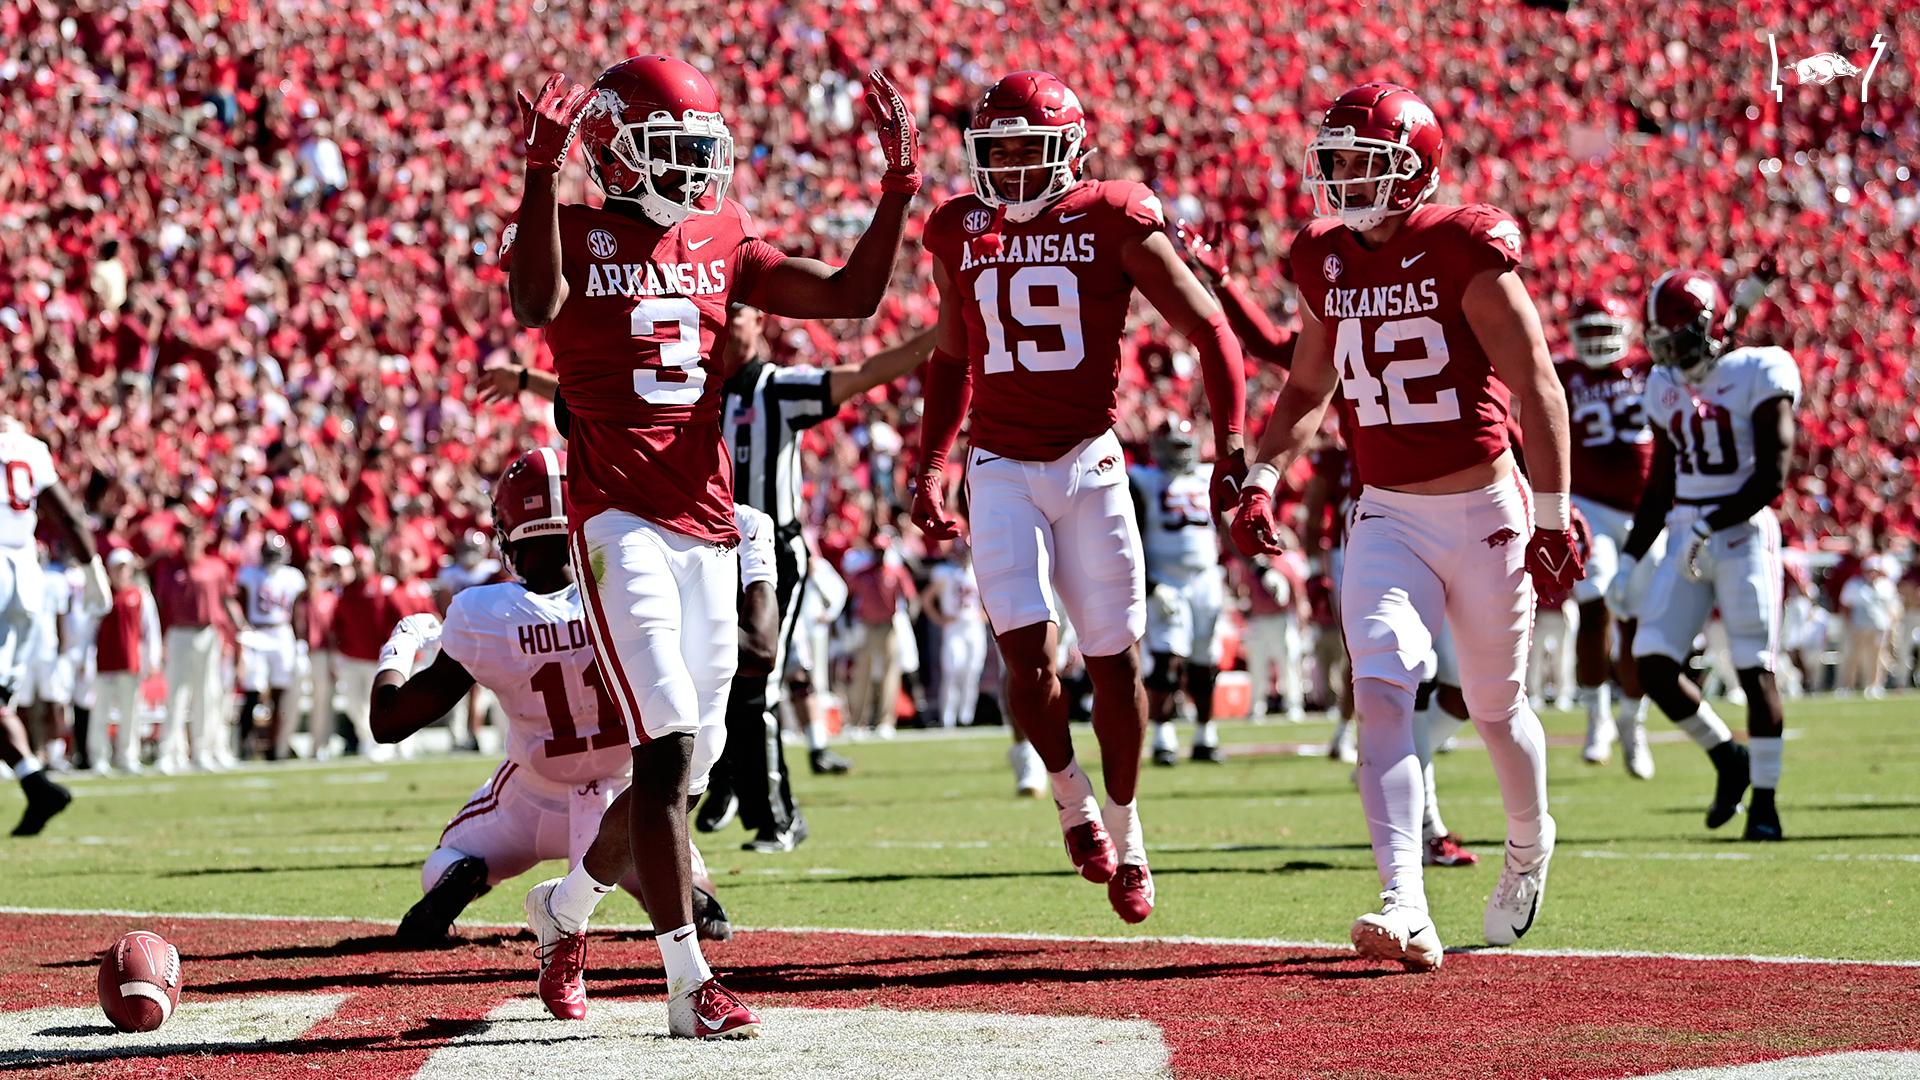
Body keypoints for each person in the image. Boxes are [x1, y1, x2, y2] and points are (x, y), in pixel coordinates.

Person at [505, 55, 921, 1038]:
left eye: (701, 148)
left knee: (685, 767)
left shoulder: (724, 233)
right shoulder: (570, 226)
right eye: (674, 146)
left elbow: (853, 295)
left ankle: (563, 914)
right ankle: (691, 985)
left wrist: (900, 186)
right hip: (617, 521)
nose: (695, 166)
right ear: (613, 147)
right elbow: (530, 307)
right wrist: (537, 176)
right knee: (667, 749)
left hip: (711, 525)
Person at [1229, 83, 1582, 969]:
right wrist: (1263, 473)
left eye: (1363, 162)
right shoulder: (1321, 255)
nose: (1344, 178)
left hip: (1488, 509)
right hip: (1386, 512)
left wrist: (1552, 512)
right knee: (1381, 685)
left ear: (1416, 168)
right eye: (1336, 162)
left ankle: (1528, 844)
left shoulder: (1464, 246)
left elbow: (1538, 386)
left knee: (1498, 708)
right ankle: (1404, 902)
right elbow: (1308, 387)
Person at [913, 70, 1248, 925]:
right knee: (1026, 659)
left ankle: (1132, 836)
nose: (1015, 167)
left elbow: (1209, 326)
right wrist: (930, 461)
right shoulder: (959, 228)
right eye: (1000, 151)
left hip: (1089, 462)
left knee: (1117, 660)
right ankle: (1073, 802)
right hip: (997, 465)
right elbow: (951, 357)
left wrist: (1232, 442)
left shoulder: (1113, 216)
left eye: (1031, 148)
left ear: (1070, 151)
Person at [367, 450, 738, 951]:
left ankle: (463, 874)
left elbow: (388, 722)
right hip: (627, 796)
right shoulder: (630, 593)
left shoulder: (484, 612)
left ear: (510, 527)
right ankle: (679, 893)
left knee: (446, 862)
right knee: (687, 883)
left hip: (528, 798)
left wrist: (401, 645)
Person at [1620, 267, 1797, 842]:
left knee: (1754, 668)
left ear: (1709, 327)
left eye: (1681, 341)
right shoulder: (1664, 385)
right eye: (1663, 344)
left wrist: (1713, 524)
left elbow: (1772, 475)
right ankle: (1727, 756)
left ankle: (1766, 806)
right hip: (1686, 527)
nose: (1673, 355)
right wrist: (1630, 555)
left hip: (1742, 532)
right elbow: (1661, 482)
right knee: (1652, 662)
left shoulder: (1760, 369)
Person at [1557, 295, 1657, 778]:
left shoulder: (1649, 366)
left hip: (1647, 510)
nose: (1596, 341)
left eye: (1604, 331)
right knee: (1593, 607)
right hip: (1590, 503)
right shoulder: (1563, 372)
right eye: (1587, 331)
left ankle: (1632, 724)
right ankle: (1597, 719)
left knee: (1636, 619)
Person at [0, 417, 106, 833]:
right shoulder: (29, 447)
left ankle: (36, 784)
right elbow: (70, 516)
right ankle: (36, 784)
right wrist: (92, 566)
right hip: (27, 575)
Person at [1131, 420, 1228, 765]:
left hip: (1205, 577)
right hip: (1164, 576)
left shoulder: (1207, 477)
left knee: (1205, 660)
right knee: (1166, 658)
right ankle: (1163, 737)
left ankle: (1205, 735)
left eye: (1185, 446)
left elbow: (1227, 526)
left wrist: (1258, 567)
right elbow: (1131, 537)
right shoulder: (1141, 480)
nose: (1180, 454)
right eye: (1173, 447)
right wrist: (1151, 586)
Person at [151, 529, 247, 773]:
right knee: (176, 695)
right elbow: (161, 607)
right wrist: (160, 640)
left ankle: (202, 750)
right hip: (179, 634)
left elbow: (227, 601)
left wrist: (238, 630)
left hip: (207, 633)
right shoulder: (170, 570)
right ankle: (170, 751)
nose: (192, 542)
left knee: (207, 694)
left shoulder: (216, 568)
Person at [89, 548, 162, 774]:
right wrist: (85, 660)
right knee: (100, 712)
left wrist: (153, 659)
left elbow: (151, 629)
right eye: (117, 568)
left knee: (131, 713)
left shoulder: (141, 595)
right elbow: (88, 631)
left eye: (124, 568)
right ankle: (99, 757)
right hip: (105, 663)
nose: (121, 573)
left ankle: (128, 756)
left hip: (130, 662)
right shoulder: (101, 596)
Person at [236, 533, 307, 760]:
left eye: (274, 554)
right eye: (268, 554)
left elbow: (298, 611)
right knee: (253, 688)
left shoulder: (292, 577)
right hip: (257, 631)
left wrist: (299, 640)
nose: (271, 559)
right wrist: (242, 625)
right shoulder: (250, 575)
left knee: (281, 690)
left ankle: (275, 745)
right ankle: (245, 744)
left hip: (282, 631)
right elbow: (233, 599)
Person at [840, 536, 919, 738]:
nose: (879, 554)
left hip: (888, 625)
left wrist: (910, 618)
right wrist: (849, 623)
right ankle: (858, 721)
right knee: (862, 675)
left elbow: (911, 597)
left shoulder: (896, 572)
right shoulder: (863, 574)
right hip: (866, 626)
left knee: (890, 674)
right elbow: (848, 596)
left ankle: (886, 721)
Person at [926, 541, 987, 728]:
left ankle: (966, 717)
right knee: (952, 670)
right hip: (954, 628)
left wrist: (983, 616)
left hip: (974, 628)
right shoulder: (945, 572)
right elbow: (927, 599)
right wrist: (939, 618)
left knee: (972, 672)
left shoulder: (980, 572)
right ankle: (948, 718)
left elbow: (993, 601)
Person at [1838, 555, 1897, 697]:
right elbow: (1846, 605)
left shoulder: (1886, 586)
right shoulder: (1854, 584)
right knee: (1852, 657)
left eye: (1875, 571)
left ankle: (1874, 685)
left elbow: (1892, 607)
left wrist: (1889, 624)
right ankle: (1846, 686)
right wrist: (1848, 625)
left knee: (1876, 658)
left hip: (1878, 628)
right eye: (1870, 570)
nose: (1872, 574)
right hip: (1858, 627)